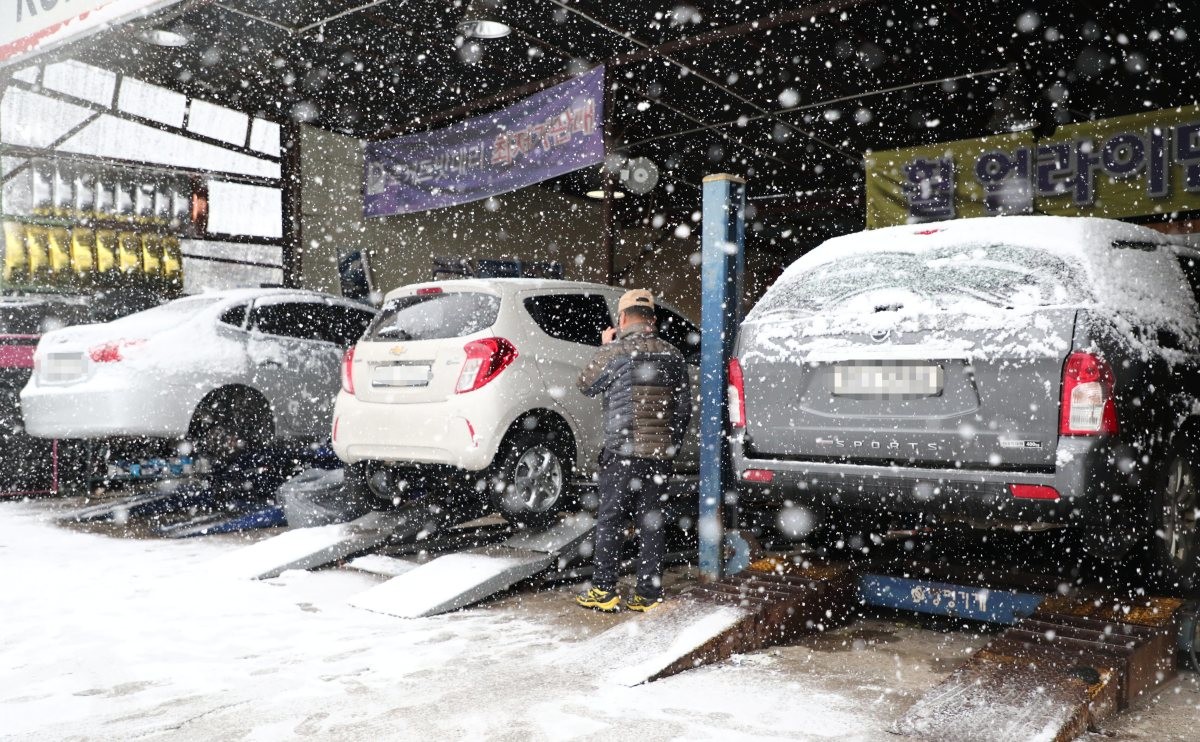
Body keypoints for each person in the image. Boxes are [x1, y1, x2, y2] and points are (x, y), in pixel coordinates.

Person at [575, 289, 692, 612]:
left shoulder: (615, 352)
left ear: (623, 319)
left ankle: (604, 591)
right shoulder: (673, 355)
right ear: (652, 320)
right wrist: (670, 447)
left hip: (622, 453)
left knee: (611, 521)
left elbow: (585, 383)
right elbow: (683, 411)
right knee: (651, 523)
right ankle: (648, 594)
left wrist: (605, 346)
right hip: (658, 457)